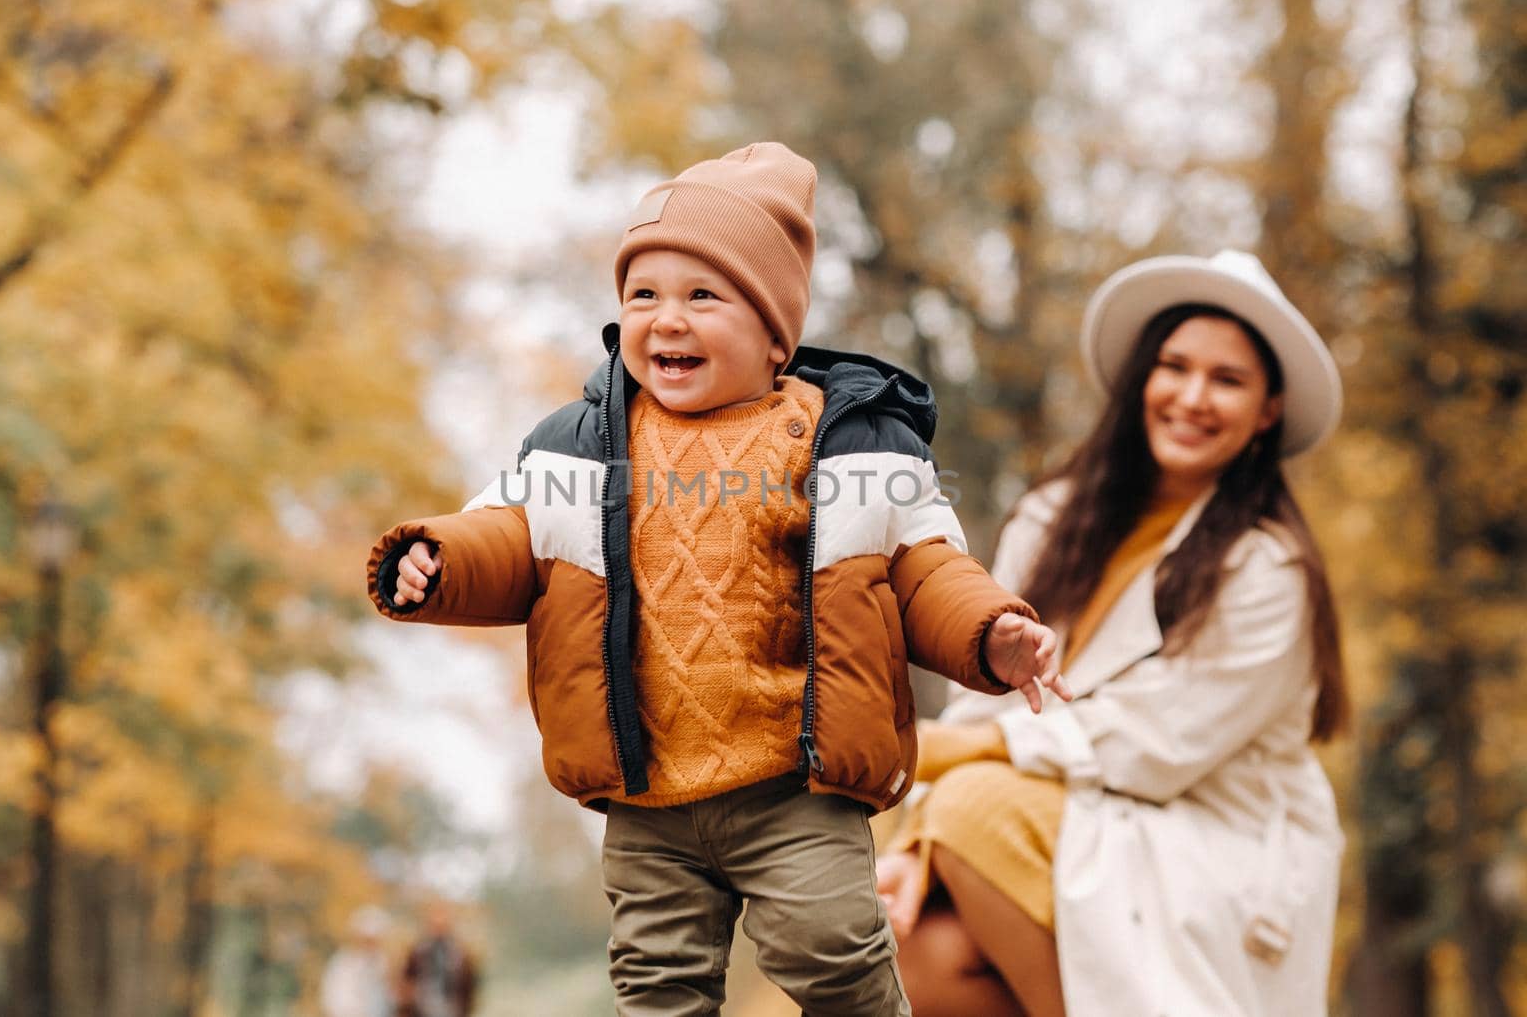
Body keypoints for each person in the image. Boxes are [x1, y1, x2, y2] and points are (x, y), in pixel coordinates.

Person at [366, 142, 1067, 1015]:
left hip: (791, 784)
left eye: (703, 295)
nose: (666, 319)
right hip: (648, 790)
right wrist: (435, 559)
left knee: (836, 951)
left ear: (776, 331)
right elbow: (509, 535)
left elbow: (923, 567)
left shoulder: (845, 441)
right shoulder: (582, 444)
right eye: (642, 296)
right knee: (657, 982)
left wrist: (989, 632)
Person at [876, 250, 1349, 1017]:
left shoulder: (1271, 568)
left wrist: (957, 758)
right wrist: (915, 842)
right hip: (1076, 820)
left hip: (1205, 839)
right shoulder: (1053, 519)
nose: (1193, 397)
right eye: (1175, 367)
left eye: (1227, 381)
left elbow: (1158, 741)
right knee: (922, 952)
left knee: (976, 807)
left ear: (1268, 409)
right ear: (1142, 379)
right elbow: (991, 698)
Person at [395, 904, 478, 1017]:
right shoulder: (417, 952)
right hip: (421, 1009)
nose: (439, 928)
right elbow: (407, 981)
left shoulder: (460, 955)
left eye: (442, 924)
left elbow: (469, 987)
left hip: (451, 1009)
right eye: (435, 924)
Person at [320, 906, 394, 1017]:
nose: (371, 944)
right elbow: (335, 999)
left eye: (375, 940)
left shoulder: (382, 961)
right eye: (367, 940)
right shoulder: (343, 962)